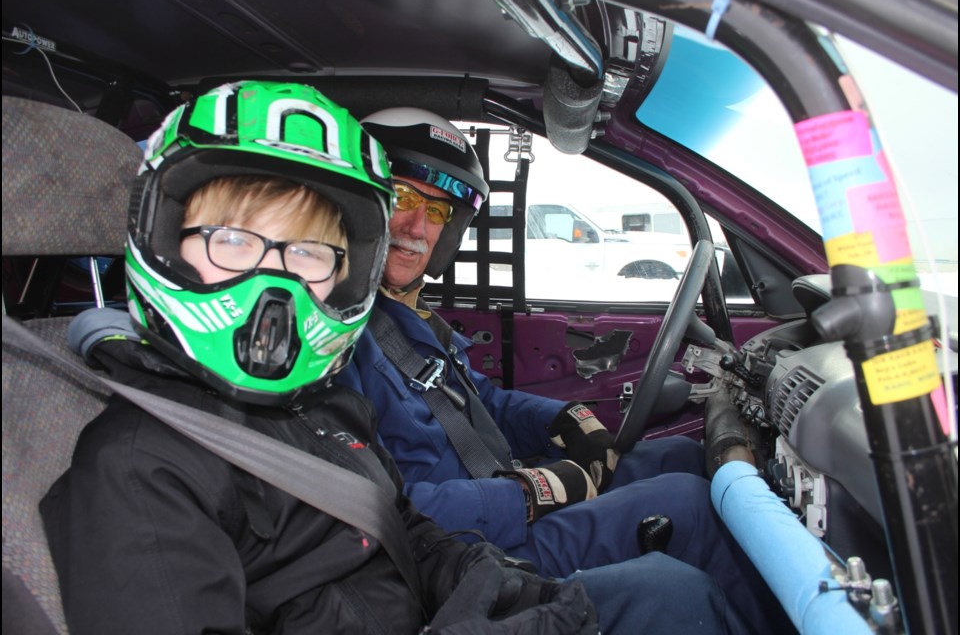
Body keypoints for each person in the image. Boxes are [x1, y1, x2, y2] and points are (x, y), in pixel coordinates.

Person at [38, 81, 745, 635]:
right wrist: (532, 496)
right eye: (232, 240)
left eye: (310, 252)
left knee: (678, 526)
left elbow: (401, 518)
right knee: (679, 568)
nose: (276, 287)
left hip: (436, 588)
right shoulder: (140, 469)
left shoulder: (320, 397)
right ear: (167, 240)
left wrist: (506, 579)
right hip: (443, 581)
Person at [336, 107, 793, 634]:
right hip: (464, 551)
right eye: (404, 199)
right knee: (695, 509)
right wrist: (535, 492)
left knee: (682, 455)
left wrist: (568, 419)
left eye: (438, 211)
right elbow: (385, 509)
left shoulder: (410, 318)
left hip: (496, 496)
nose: (419, 227)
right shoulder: (337, 342)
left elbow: (480, 400)